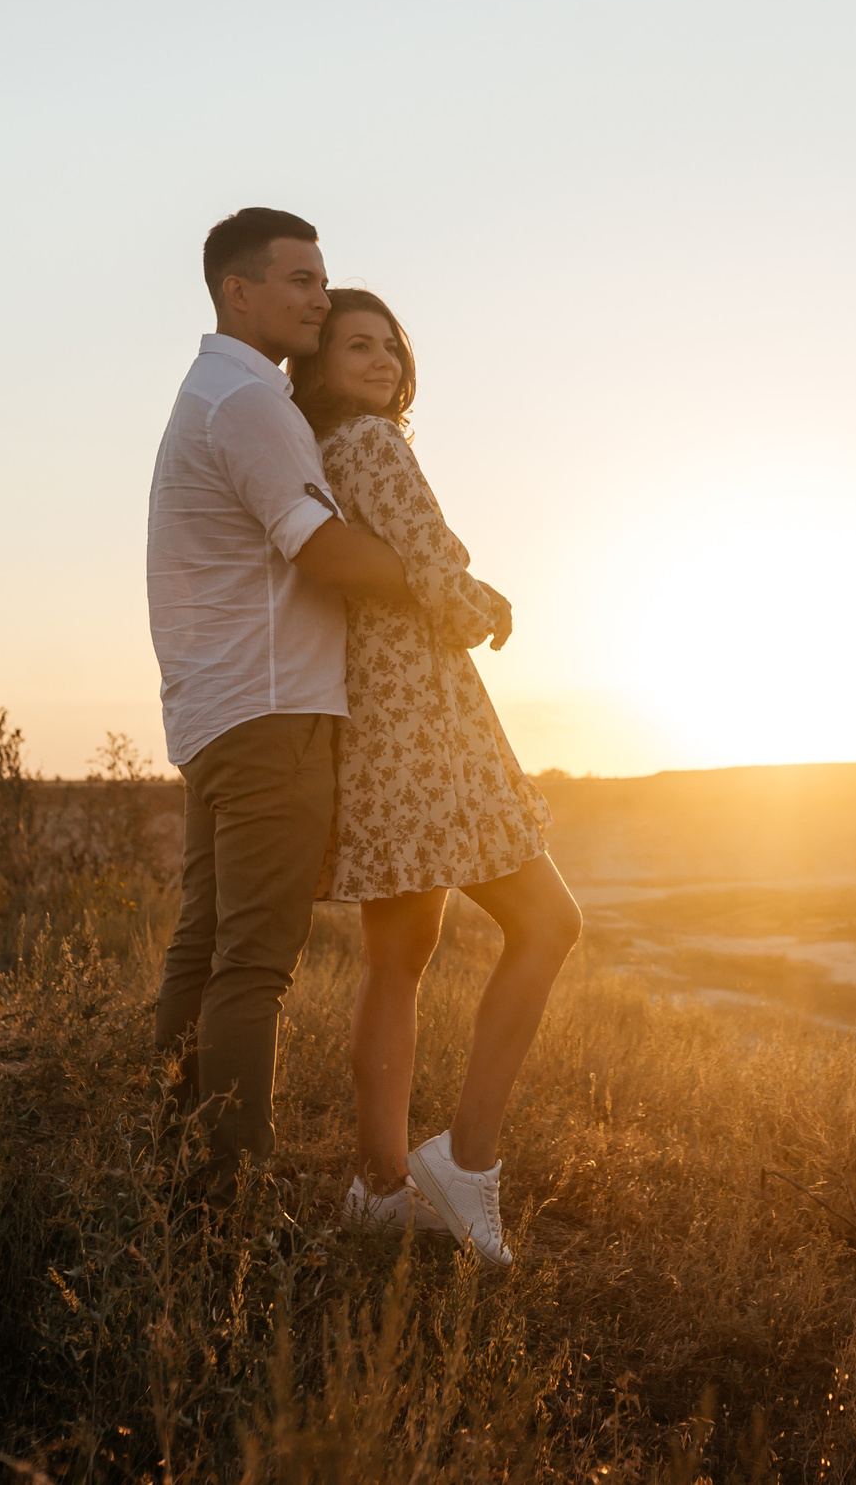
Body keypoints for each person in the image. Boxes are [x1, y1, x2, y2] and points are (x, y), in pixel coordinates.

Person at [288, 288, 583, 1266]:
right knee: (548, 924)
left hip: (375, 728)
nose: (379, 360)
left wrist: (453, 589)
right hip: (427, 723)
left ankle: (378, 1186)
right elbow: (432, 572)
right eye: (355, 346)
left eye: (390, 345)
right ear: (318, 367)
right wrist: (479, 599)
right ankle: (469, 1159)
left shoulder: (324, 455)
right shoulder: (371, 445)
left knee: (398, 959)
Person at [146, 209, 417, 1190]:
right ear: (239, 291)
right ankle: (232, 1197)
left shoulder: (214, 392)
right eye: (299, 281)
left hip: (224, 708)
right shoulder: (250, 406)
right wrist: (442, 578)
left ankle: (180, 1152)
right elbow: (328, 551)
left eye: (320, 279)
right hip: (271, 714)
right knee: (251, 966)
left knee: (207, 946)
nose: (317, 297)